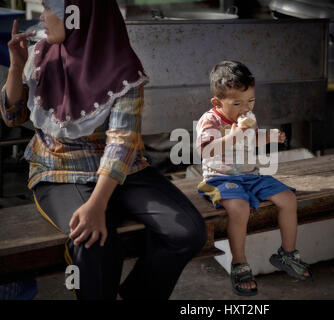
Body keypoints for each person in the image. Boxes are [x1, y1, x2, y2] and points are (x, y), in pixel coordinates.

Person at [0, 0, 207, 300]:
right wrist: (17, 65)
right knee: (94, 243)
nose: (42, 16)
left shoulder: (123, 68)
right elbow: (11, 117)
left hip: (123, 169)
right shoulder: (40, 54)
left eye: (50, 8)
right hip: (59, 170)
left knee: (187, 232)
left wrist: (97, 204)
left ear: (78, 16)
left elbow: (121, 143)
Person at [196, 60, 312, 296]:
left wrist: (269, 136)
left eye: (250, 101)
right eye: (237, 103)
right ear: (217, 102)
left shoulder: (248, 116)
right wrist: (235, 134)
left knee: (288, 198)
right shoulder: (210, 120)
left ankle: (287, 254)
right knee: (240, 208)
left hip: (251, 175)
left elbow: (251, 140)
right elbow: (205, 150)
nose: (245, 108)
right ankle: (239, 264)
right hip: (220, 178)